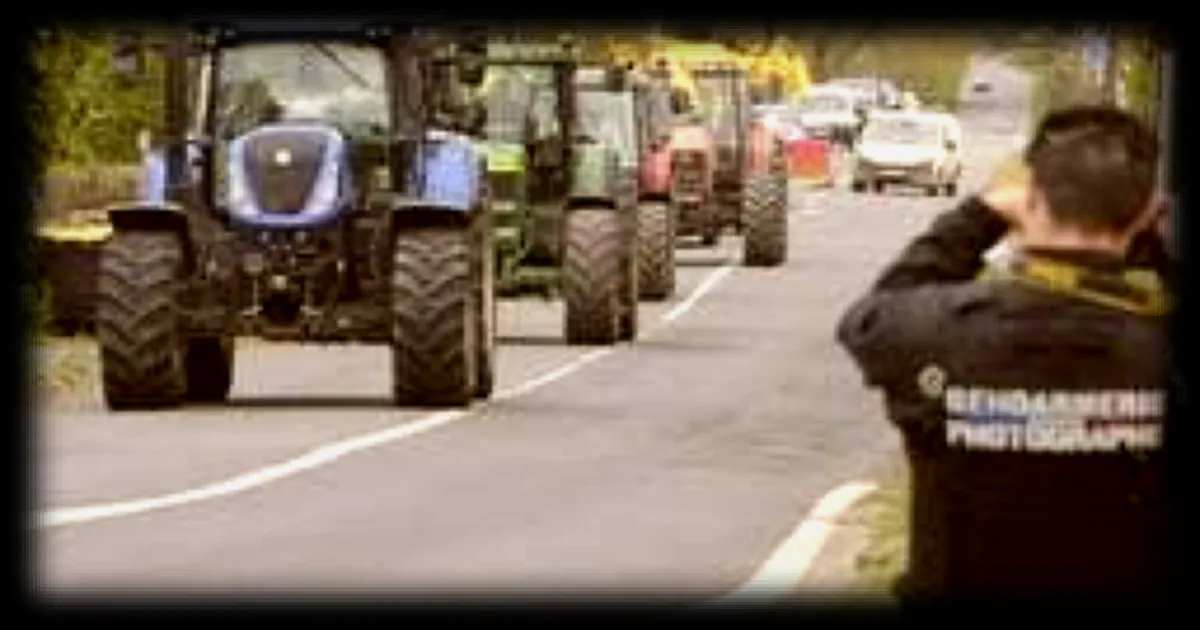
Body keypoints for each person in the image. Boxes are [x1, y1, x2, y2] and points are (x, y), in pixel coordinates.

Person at [835, 104, 1173, 608]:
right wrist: (1149, 241)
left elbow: (872, 317)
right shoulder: (1156, 349)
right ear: (1148, 211)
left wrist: (980, 216)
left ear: (1031, 200)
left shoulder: (940, 332)